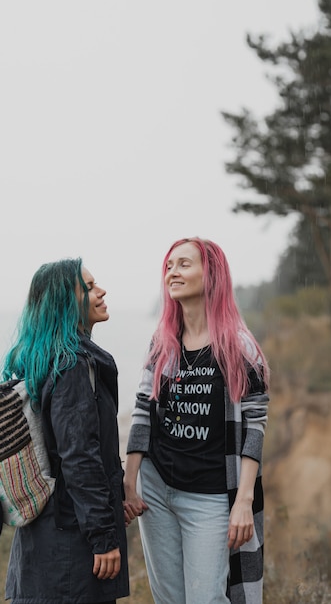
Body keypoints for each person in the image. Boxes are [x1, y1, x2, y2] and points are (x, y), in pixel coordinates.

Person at [123, 237, 269, 604]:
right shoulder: (162, 344)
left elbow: (255, 425)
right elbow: (142, 411)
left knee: (206, 599)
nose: (173, 271)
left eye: (184, 264)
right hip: (156, 490)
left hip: (210, 496)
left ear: (211, 274)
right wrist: (129, 482)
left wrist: (244, 501)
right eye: (170, 265)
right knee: (169, 599)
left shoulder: (238, 346)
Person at [2, 258, 129, 604]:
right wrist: (103, 537)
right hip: (71, 550)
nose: (100, 291)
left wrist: (116, 499)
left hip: (44, 542)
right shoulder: (72, 365)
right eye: (88, 287)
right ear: (63, 302)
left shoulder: (43, 359)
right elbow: (79, 458)